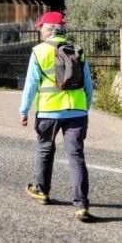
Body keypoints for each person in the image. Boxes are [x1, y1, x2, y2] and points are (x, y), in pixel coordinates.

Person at [20, 11, 95, 222]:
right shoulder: (77, 51)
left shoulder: (39, 51)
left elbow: (31, 85)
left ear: (50, 29)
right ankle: (81, 205)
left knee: (45, 150)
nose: (40, 30)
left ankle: (42, 190)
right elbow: (89, 86)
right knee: (76, 156)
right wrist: (84, 108)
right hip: (77, 112)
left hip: (48, 113)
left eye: (42, 27)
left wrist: (23, 111)